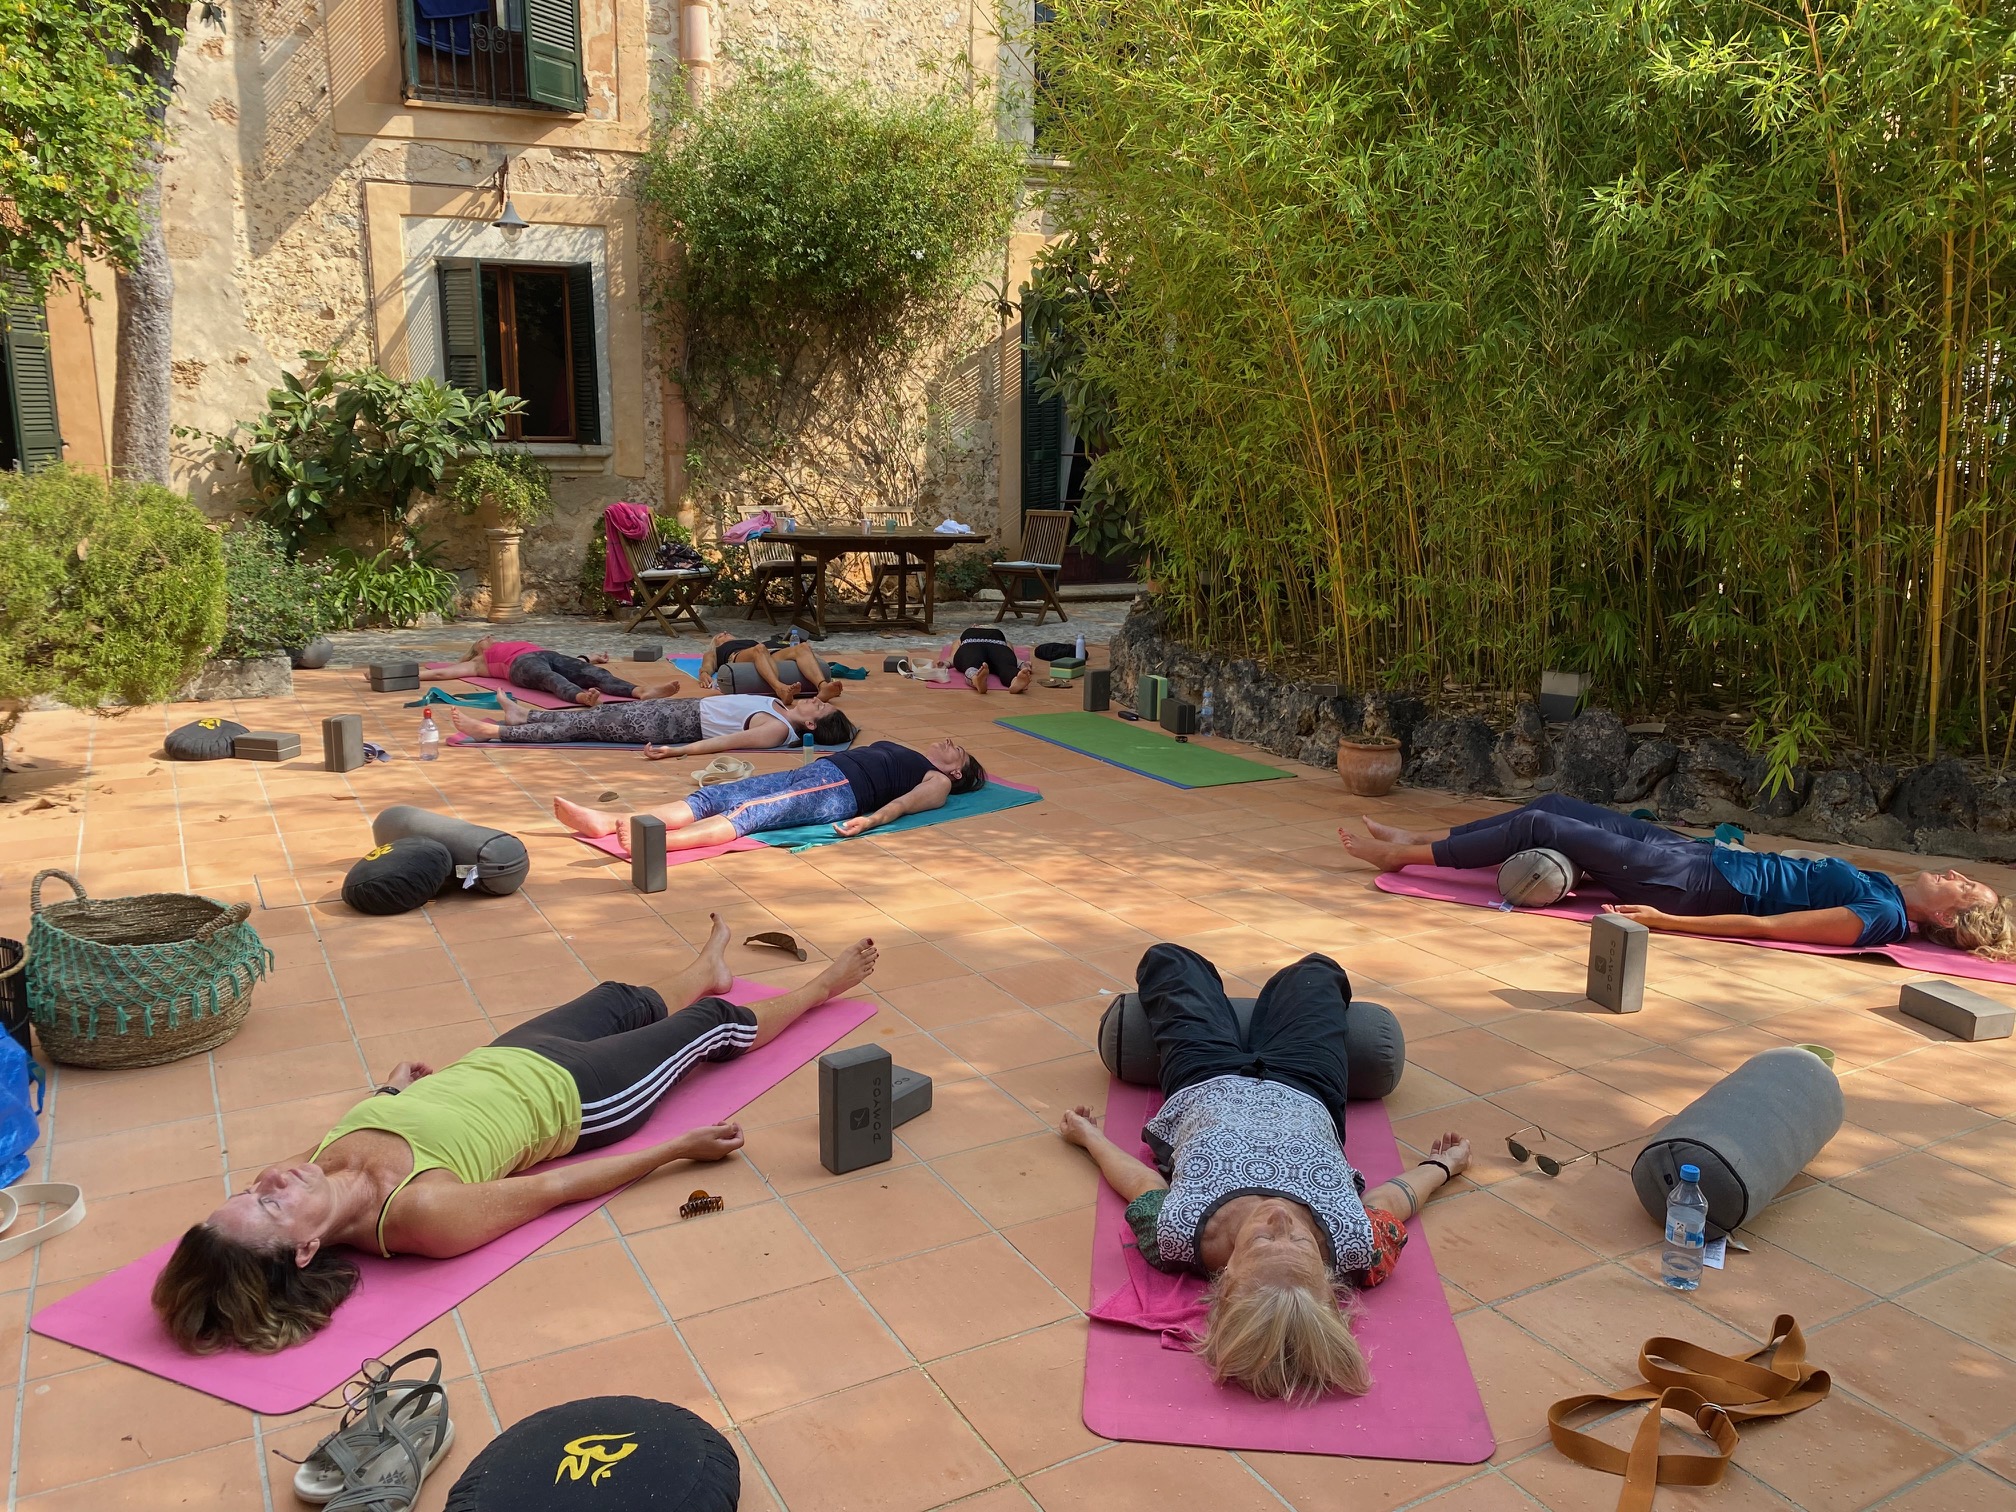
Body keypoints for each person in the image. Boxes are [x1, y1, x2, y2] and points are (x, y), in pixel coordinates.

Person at [151, 918, 879, 1354]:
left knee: (619, 999)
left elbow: (369, 1126)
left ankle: (706, 968)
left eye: (250, 1187)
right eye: (270, 1207)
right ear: (307, 1249)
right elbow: (550, 1189)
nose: (272, 1181)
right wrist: (677, 1149)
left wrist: (392, 1089)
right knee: (707, 1028)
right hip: (581, 1099)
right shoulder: (416, 1216)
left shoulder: (307, 1174)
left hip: (508, 1059)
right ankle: (823, 988)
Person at [1058, 943, 1469, 1402]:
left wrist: (1088, 1139)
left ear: (1227, 1276)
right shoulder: (1356, 1247)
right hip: (1306, 1084)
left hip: (1202, 1078)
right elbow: (1392, 1201)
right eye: (1299, 1243)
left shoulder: (1181, 1236)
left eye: (1263, 1241)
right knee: (1318, 971)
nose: (1281, 1222)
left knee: (1168, 960)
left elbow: (1143, 1184)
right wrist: (1442, 1167)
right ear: (1328, 1283)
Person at [1340, 792, 2016, 957]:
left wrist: (1667, 921)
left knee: (1542, 830)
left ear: (1949, 917)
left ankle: (1408, 854)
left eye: (1964, 886)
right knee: (1553, 805)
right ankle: (1424, 842)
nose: (1955, 873)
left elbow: (1774, 926)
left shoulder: (1878, 918)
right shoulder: (1891, 893)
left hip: (1686, 884)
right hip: (1696, 856)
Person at [554, 738, 986, 849]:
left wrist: (872, 820)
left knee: (750, 812)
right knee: (717, 796)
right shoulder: (917, 756)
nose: (948, 742)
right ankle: (610, 821)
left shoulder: (940, 781)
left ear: (956, 769)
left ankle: (659, 842)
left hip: (841, 792)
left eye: (956, 749)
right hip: (820, 772)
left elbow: (904, 805)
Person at [447, 691, 856, 755]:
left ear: (813, 728)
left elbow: (726, 743)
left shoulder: (777, 730)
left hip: (670, 726)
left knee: (583, 728)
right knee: (595, 715)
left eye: (819, 710)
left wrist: (678, 751)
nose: (816, 702)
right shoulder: (778, 706)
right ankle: (525, 715)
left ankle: (495, 732)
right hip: (677, 709)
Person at [421, 636, 678, 708]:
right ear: (477, 649)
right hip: (520, 666)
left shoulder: (513, 642)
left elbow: (574, 664)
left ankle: (640, 690)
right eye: (482, 639)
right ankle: (580, 697)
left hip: (547, 654)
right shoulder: (479, 662)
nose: (488, 637)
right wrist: (410, 675)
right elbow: (443, 674)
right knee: (551, 680)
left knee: (589, 672)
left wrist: (591, 658)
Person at [699, 632, 844, 705]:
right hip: (739, 657)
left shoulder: (747, 641)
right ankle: (780, 688)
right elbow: (707, 666)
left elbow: (765, 651)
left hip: (767, 654)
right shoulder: (715, 651)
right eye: (720, 636)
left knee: (802, 647)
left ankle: (823, 686)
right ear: (716, 644)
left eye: (726, 632)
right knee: (759, 648)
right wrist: (704, 673)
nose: (724, 633)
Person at [945, 626, 1034, 696]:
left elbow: (1010, 652)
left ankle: (1015, 681)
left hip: (996, 646)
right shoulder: (962, 638)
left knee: (1006, 665)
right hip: (974, 646)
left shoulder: (1002, 638)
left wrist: (1021, 664)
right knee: (972, 662)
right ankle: (977, 680)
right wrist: (946, 663)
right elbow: (955, 654)